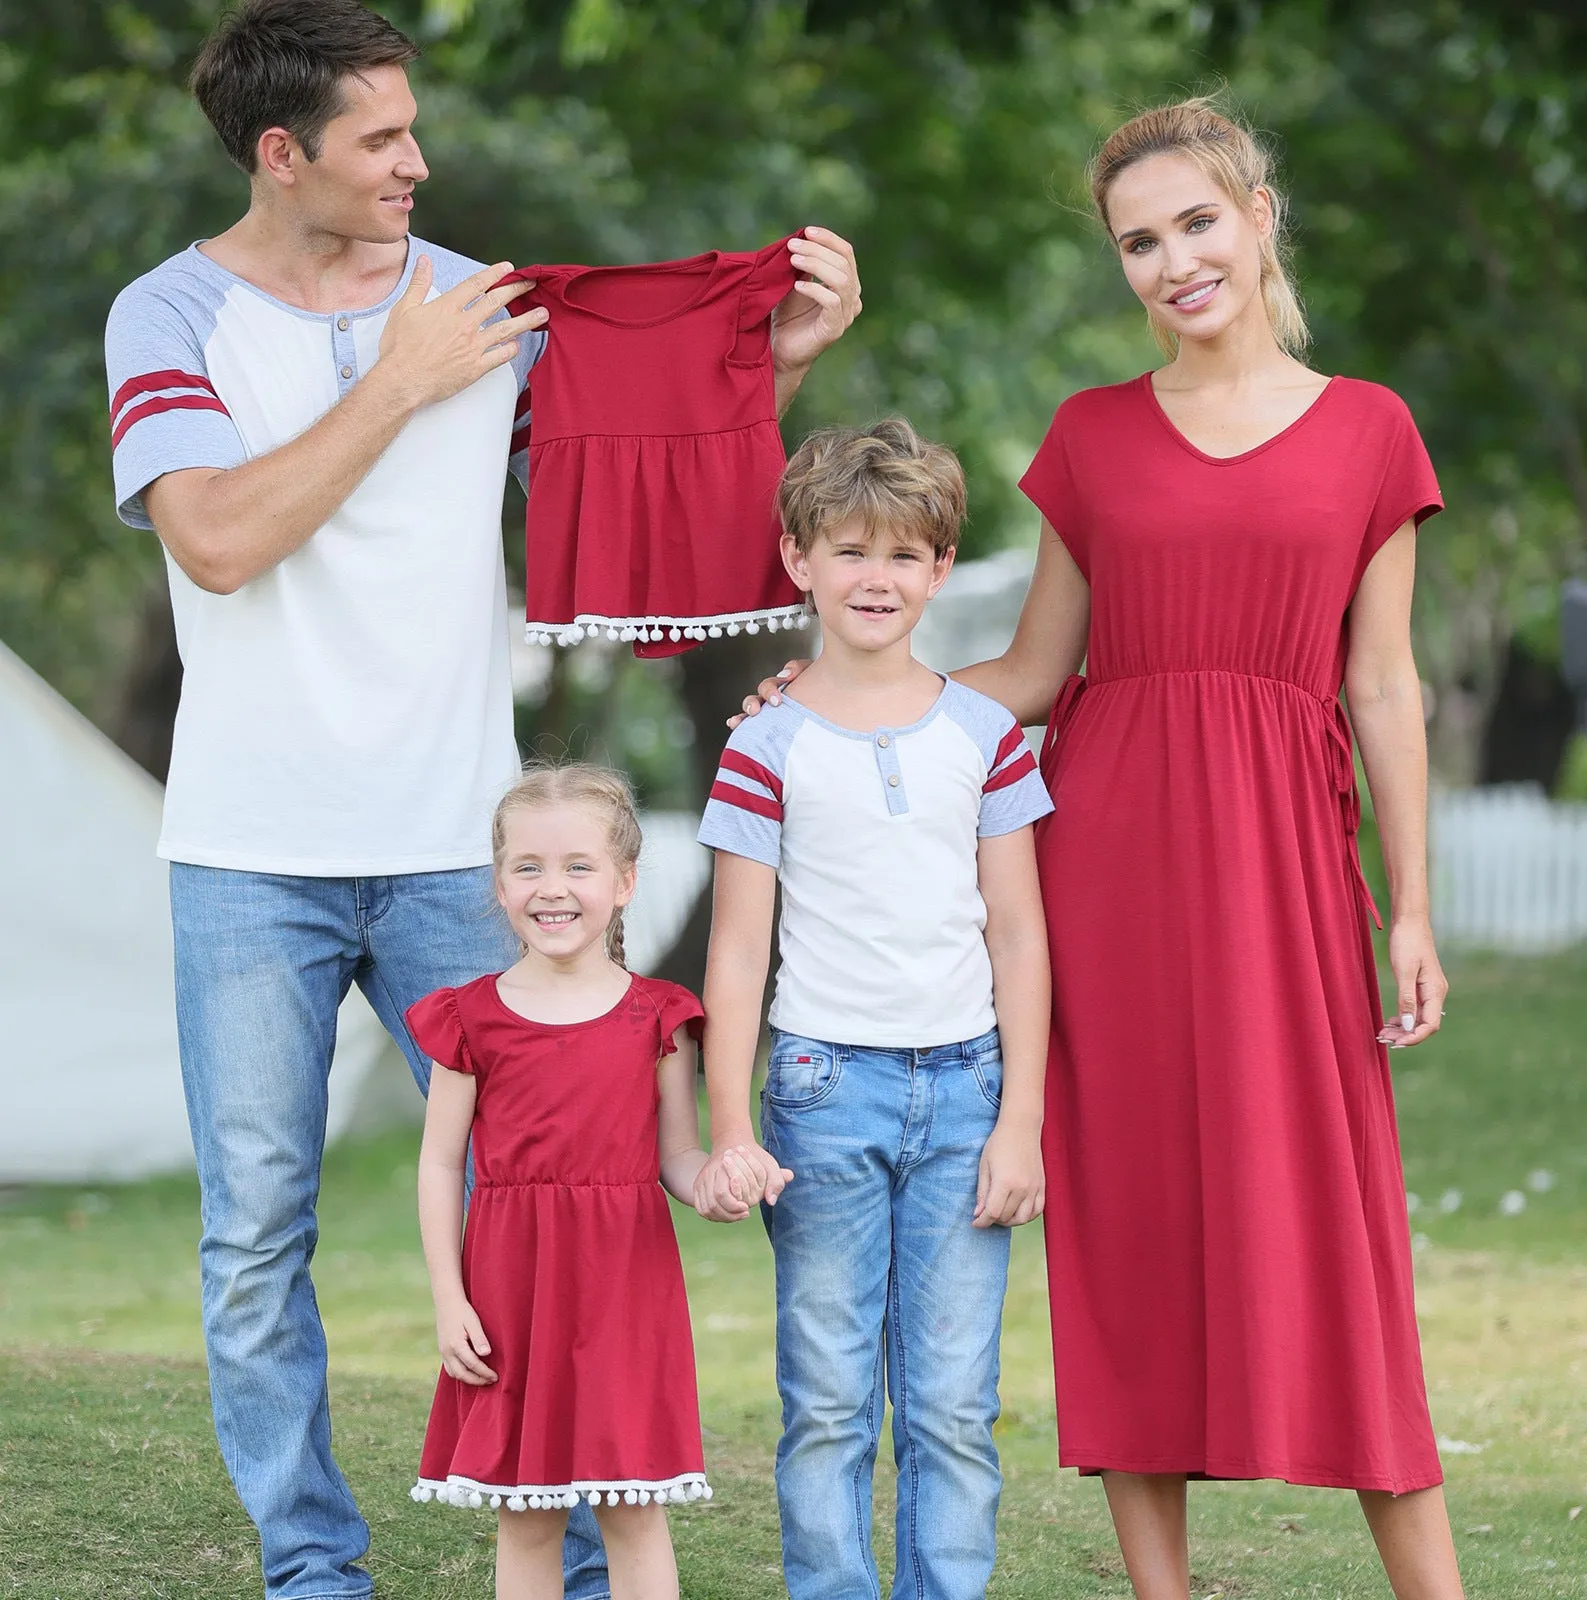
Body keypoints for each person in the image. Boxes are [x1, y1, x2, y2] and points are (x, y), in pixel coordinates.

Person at [100, 3, 860, 1596]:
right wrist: (395, 383)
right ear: (280, 152)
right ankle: (315, 1570)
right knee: (254, 1242)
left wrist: (765, 360)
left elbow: (633, 479)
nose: (419, 163)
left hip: (470, 853)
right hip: (248, 856)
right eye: (381, 138)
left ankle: (580, 1570)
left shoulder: (490, 308)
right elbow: (222, 540)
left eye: (415, 127)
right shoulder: (163, 316)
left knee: (559, 1215)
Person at [741, 99, 1464, 1600]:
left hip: (1288, 875)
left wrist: (1411, 906)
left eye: (1196, 221)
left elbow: (1383, 685)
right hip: (1107, 875)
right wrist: (839, 698)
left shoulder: (1372, 427)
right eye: (1141, 240)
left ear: (1259, 214)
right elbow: (1030, 675)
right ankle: (1161, 1591)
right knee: (1127, 1233)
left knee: (1333, 1233)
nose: (1173, 260)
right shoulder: (1092, 432)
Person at [694, 419, 1054, 1600]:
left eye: (903, 556)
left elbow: (1017, 933)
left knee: (953, 1401)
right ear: (798, 558)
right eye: (848, 551)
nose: (875, 579)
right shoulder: (767, 746)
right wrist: (731, 1126)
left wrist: (1019, 1126)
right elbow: (739, 955)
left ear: (941, 568)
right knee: (829, 1396)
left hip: (965, 1094)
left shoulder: (984, 736)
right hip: (819, 1094)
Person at [407, 764, 734, 1600]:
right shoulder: (469, 1016)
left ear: (624, 882)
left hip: (626, 1293)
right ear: (499, 883)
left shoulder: (658, 1016)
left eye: (578, 867)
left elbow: (677, 1157)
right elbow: (442, 1163)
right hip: (511, 1295)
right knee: (525, 1513)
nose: (553, 889)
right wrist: (450, 1299)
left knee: (632, 1508)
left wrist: (715, 1185)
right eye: (529, 867)